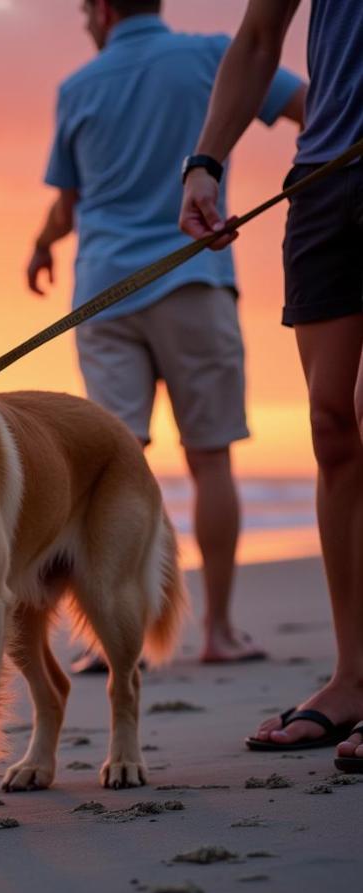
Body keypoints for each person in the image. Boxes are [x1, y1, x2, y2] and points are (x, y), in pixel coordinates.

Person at [28, 0, 305, 673]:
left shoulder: (79, 87)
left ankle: (116, 635)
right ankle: (218, 629)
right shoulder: (215, 54)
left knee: (112, 463)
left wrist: (41, 244)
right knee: (210, 458)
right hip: (192, 277)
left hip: (104, 294)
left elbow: (69, 204)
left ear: (100, 10)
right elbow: (317, 108)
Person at [179, 0, 363, 769]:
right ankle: (353, 677)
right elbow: (260, 35)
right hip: (326, 177)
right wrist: (206, 161)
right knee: (333, 431)